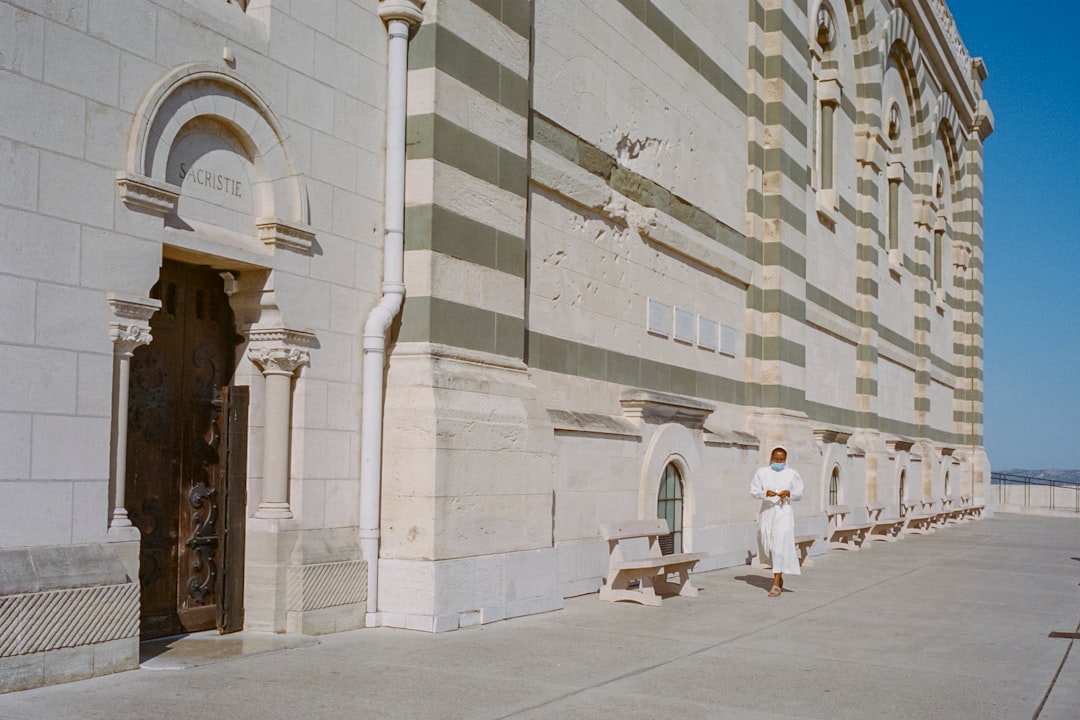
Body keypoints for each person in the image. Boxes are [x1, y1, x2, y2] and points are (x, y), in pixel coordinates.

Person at [750, 445, 804, 597]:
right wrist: (764, 493)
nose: (778, 462)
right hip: (767, 511)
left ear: (785, 460)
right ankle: (778, 574)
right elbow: (754, 491)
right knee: (767, 545)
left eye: (781, 460)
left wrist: (789, 493)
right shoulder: (762, 472)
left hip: (784, 511)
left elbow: (799, 494)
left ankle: (776, 582)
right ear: (771, 458)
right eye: (775, 459)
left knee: (779, 547)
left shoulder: (792, 474)